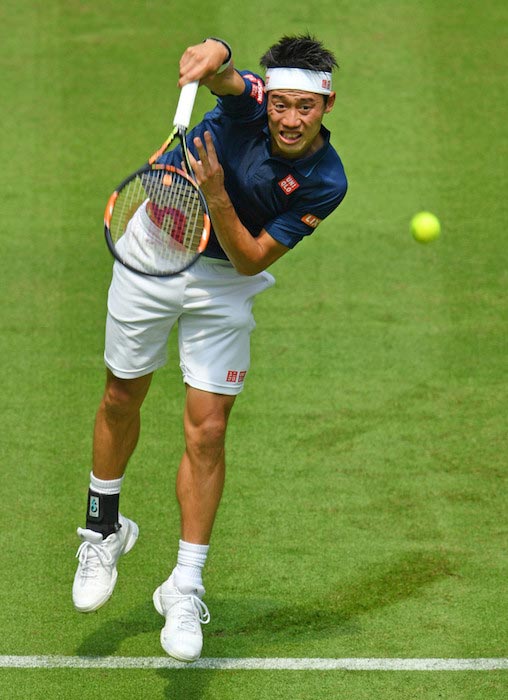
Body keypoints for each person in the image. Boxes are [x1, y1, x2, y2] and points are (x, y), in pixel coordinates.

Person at [72, 33, 347, 662]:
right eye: (282, 105)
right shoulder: (250, 102)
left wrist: (217, 193)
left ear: (327, 108)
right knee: (121, 394)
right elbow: (226, 74)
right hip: (151, 252)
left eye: (306, 108)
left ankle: (184, 585)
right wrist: (214, 50)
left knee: (208, 431)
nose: (290, 118)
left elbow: (251, 259)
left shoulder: (326, 181)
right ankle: (103, 530)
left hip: (225, 281)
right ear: (269, 98)